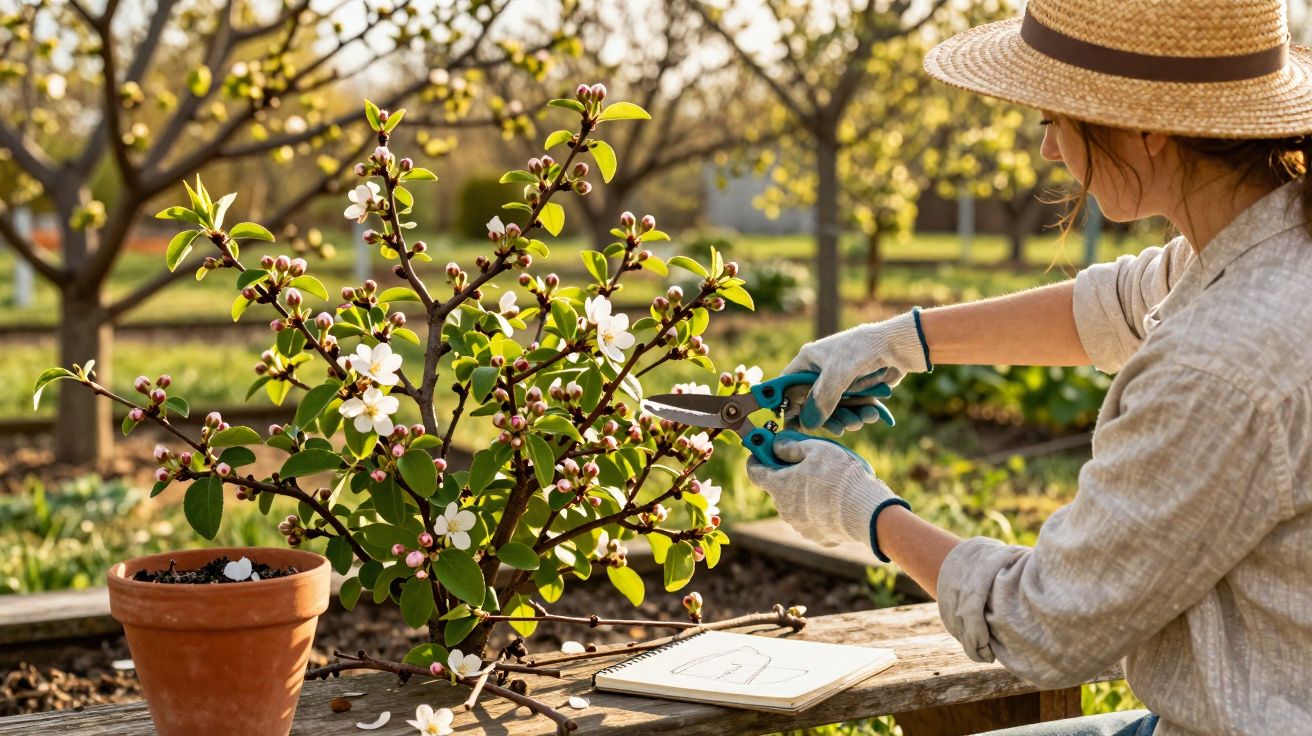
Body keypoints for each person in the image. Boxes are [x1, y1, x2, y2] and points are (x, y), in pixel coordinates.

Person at [744, 1, 1312, 734]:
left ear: (1149, 128)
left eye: (1054, 117)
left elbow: (1042, 624)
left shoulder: (1219, 365)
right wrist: (902, 338)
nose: (1048, 150)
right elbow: (1126, 299)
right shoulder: (1275, 235)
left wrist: (860, 509)